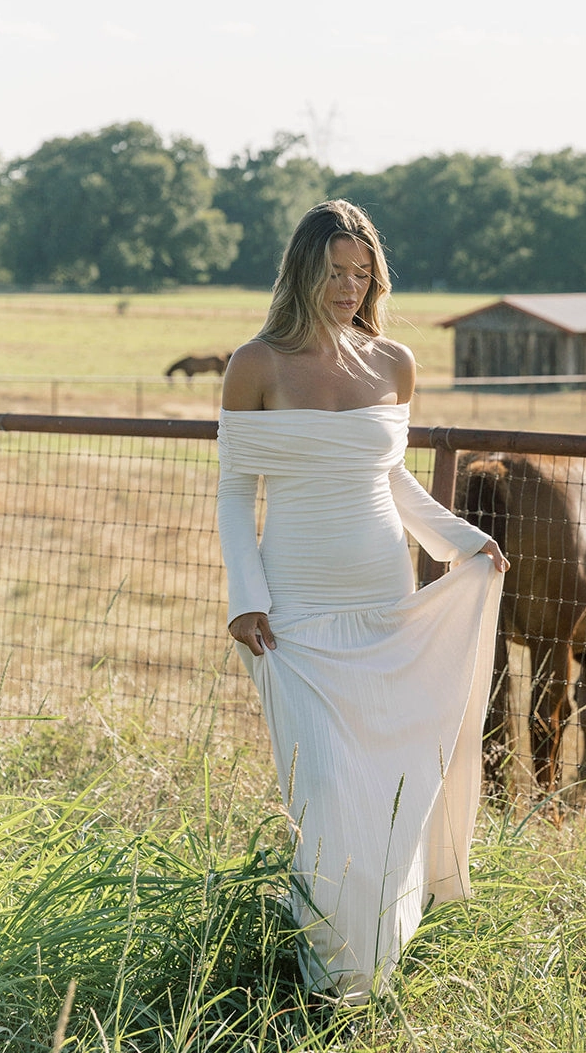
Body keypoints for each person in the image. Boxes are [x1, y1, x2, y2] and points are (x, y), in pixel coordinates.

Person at [217, 200, 507, 1002]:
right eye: (334, 272)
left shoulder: (393, 363)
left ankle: (362, 973)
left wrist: (461, 542)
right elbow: (237, 493)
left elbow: (391, 477)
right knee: (327, 793)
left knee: (392, 788)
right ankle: (330, 969)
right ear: (302, 272)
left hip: (388, 603)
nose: (350, 287)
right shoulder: (256, 364)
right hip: (295, 615)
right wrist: (247, 598)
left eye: (361, 273)